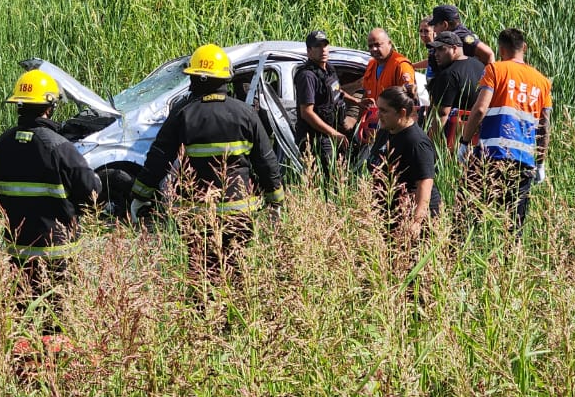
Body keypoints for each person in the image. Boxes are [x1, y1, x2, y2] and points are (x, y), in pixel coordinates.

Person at [131, 43, 285, 283]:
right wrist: (275, 200)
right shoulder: (245, 113)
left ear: (196, 79)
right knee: (236, 269)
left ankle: (204, 315)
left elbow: (159, 158)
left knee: (201, 272)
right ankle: (236, 315)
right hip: (239, 211)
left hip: (198, 213)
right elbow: (266, 161)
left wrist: (140, 194)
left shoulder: (184, 114)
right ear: (225, 78)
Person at [0, 69, 101, 327]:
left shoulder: (1, 145)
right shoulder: (59, 146)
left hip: (18, 250)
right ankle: (53, 364)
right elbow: (91, 191)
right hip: (56, 252)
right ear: (49, 107)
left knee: (24, 317)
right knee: (57, 319)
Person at [457, 28, 553, 233]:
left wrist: (464, 142)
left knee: (467, 217)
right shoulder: (542, 82)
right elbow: (545, 126)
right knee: (514, 227)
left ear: (501, 50)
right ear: (524, 48)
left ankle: (460, 256)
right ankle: (512, 263)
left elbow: (480, 109)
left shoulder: (495, 70)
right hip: (524, 161)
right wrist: (540, 162)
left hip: (490, 156)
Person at [367, 86, 441, 242]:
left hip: (412, 214)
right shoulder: (385, 132)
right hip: (390, 212)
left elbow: (425, 183)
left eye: (384, 111)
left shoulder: (417, 142)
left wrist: (416, 222)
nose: (378, 115)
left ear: (401, 112)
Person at [293, 30, 347, 178]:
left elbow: (336, 90)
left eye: (325, 45)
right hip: (317, 139)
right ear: (309, 51)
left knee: (337, 176)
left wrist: (357, 102)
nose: (323, 49)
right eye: (317, 46)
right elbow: (307, 112)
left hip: (331, 133)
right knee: (328, 181)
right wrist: (334, 134)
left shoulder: (328, 68)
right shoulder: (307, 76)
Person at [355, 28, 415, 146]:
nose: (374, 49)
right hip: (372, 126)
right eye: (370, 46)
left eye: (378, 45)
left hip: (392, 128)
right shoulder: (372, 64)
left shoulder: (401, 66)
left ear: (389, 43)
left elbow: (408, 99)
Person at [426, 30, 485, 150]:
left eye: (441, 49)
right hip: (478, 135)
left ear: (454, 48)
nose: (436, 54)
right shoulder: (480, 66)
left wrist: (429, 147)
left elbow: (442, 114)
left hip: (454, 139)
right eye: (435, 50)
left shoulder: (448, 74)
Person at [427, 5, 495, 66]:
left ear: (445, 25)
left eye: (435, 26)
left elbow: (488, 53)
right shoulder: (453, 35)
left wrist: (488, 77)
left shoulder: (461, 36)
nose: (434, 30)